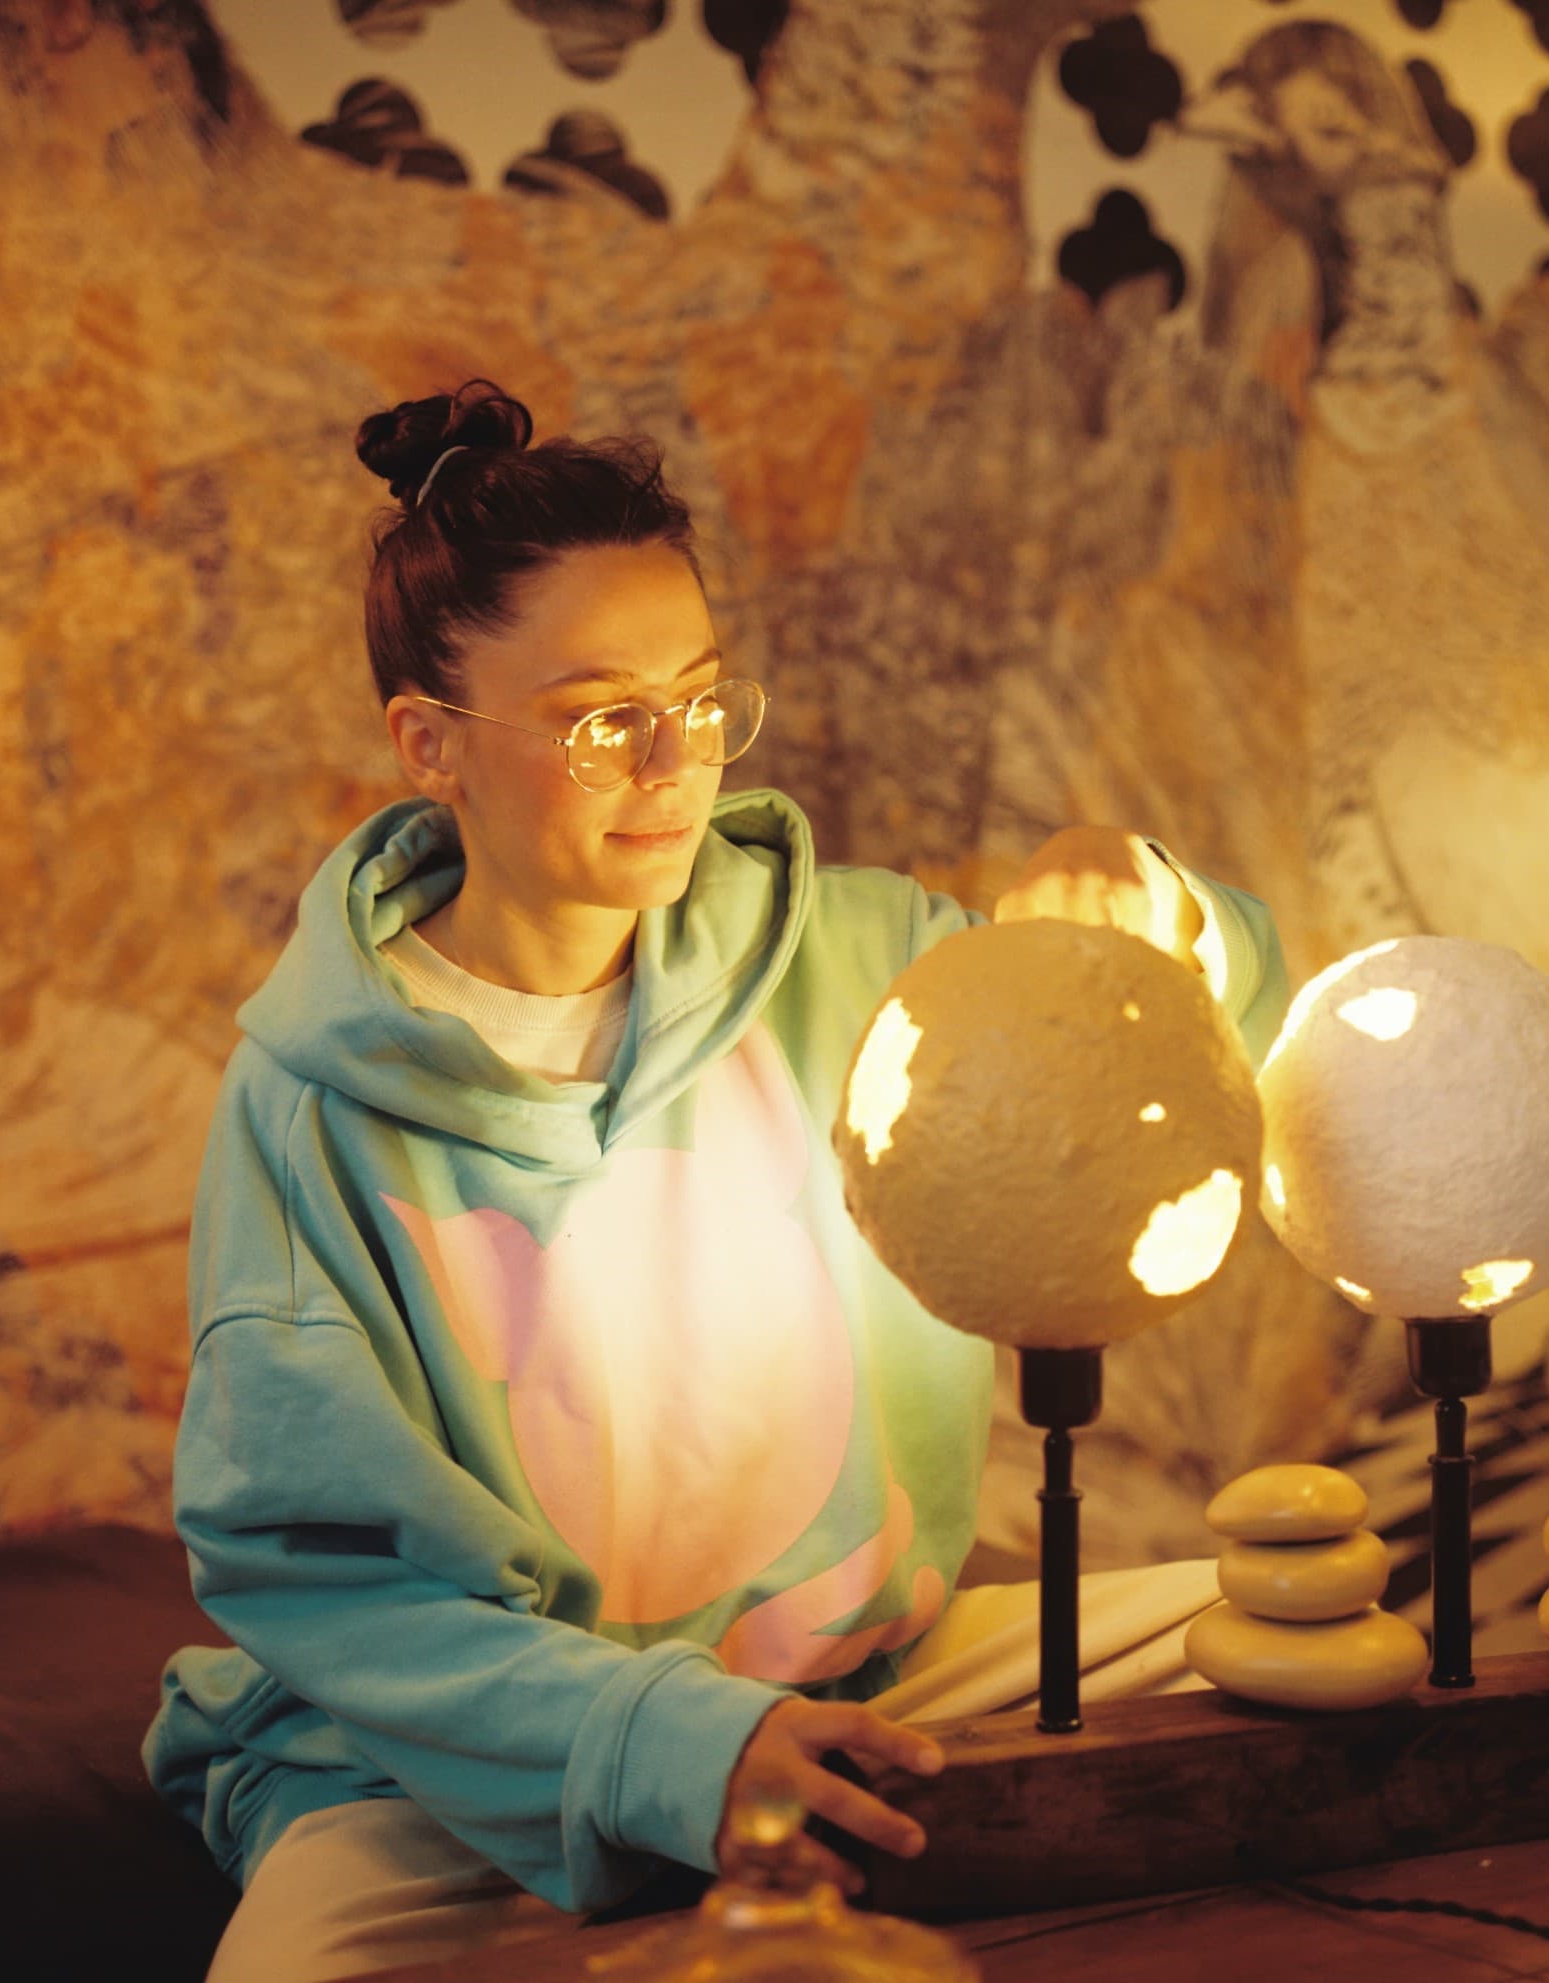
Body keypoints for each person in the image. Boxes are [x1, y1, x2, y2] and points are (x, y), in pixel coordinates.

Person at [142, 378, 1292, 1981]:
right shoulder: (313, 1113)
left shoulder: (860, 965)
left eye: (702, 696)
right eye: (608, 716)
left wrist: (1153, 899)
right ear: (431, 745)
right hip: (467, 1771)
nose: (678, 760)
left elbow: (1212, 1036)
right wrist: (664, 1745)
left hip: (867, 1688)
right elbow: (316, 1575)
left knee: (1277, 1639)